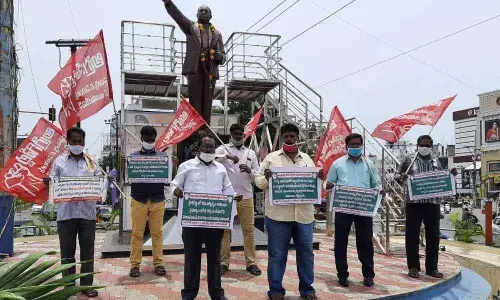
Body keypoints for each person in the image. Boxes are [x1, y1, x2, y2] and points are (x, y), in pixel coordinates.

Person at [255, 123, 323, 300]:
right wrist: (267, 178)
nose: (289, 139)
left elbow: (314, 186)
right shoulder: (271, 158)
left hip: (304, 216)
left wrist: (319, 178)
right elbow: (258, 181)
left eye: (292, 136)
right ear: (282, 138)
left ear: (297, 138)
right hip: (278, 216)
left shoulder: (307, 159)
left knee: (306, 254)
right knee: (277, 254)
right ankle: (276, 290)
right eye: (286, 136)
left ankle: (307, 289)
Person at [171, 135, 239, 300]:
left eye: (212, 147)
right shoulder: (186, 166)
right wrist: (176, 191)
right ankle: (189, 293)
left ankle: (216, 293)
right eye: (206, 147)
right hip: (192, 221)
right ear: (198, 148)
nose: (209, 150)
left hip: (214, 221)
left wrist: (235, 197)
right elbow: (174, 184)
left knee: (214, 258)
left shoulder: (220, 168)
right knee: (192, 259)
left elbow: (227, 189)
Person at [45, 127, 100, 298]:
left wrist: (106, 182)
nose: (77, 144)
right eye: (74, 141)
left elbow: (100, 183)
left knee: (87, 253)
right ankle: (69, 286)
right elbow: (53, 183)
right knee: (67, 253)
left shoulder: (93, 162)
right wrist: (49, 182)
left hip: (87, 215)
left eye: (80, 141)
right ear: (67, 142)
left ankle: (86, 285)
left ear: (84, 142)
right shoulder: (59, 162)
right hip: (66, 215)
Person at [395, 135, 457, 279]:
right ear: (417, 145)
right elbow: (396, 176)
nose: (425, 147)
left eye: (428, 145)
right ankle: (413, 267)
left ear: (431, 146)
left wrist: (451, 174)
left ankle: (432, 268)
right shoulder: (408, 159)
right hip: (413, 204)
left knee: (433, 236)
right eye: (422, 145)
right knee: (412, 235)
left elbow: (443, 178)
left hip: (432, 203)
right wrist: (401, 177)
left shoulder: (437, 160)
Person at [325, 133, 383, 288]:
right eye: (352, 145)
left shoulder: (369, 165)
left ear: (362, 145)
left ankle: (368, 275)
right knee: (340, 242)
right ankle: (342, 275)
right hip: (343, 208)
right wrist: (328, 186)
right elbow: (328, 182)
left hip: (363, 209)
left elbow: (376, 184)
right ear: (347, 147)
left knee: (365, 242)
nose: (355, 147)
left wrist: (379, 191)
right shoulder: (337, 164)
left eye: (358, 144)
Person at [162, 0, 225, 124]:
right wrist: (168, 3)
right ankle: (195, 129)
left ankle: (206, 128)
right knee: (195, 100)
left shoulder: (217, 34)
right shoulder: (191, 27)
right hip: (195, 68)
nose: (203, 13)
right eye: (200, 11)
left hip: (211, 69)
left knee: (207, 101)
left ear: (210, 16)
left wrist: (220, 56)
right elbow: (178, 16)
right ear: (197, 15)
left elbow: (223, 53)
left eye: (206, 11)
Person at [215, 124, 261, 276]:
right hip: (227, 197)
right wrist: (228, 157)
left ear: (244, 134)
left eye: (240, 133)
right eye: (235, 133)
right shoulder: (223, 149)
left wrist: (250, 171)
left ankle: (251, 262)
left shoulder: (251, 153)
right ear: (230, 134)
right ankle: (223, 262)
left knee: (248, 230)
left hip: (246, 196)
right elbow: (211, 158)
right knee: (225, 231)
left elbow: (258, 174)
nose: (238, 136)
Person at [129, 126, 167, 278]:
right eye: (147, 139)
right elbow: (128, 178)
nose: (150, 141)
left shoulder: (163, 157)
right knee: (137, 233)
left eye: (152, 139)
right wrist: (126, 165)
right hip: (139, 199)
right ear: (142, 138)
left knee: (157, 233)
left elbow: (168, 179)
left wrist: (173, 165)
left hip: (157, 199)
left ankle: (158, 263)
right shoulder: (133, 157)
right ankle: (134, 265)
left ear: (155, 138)